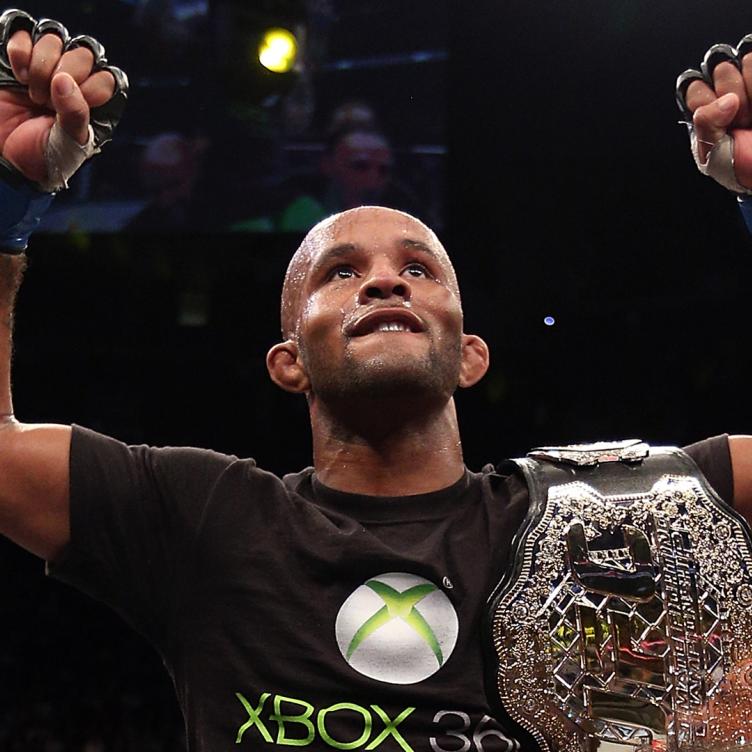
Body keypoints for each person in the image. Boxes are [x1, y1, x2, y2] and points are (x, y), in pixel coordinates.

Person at [2, 9, 752, 752]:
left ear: (471, 355)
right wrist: (7, 199)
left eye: (418, 269)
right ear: (288, 360)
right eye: (341, 272)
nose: (384, 283)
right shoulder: (209, 522)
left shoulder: (607, 512)